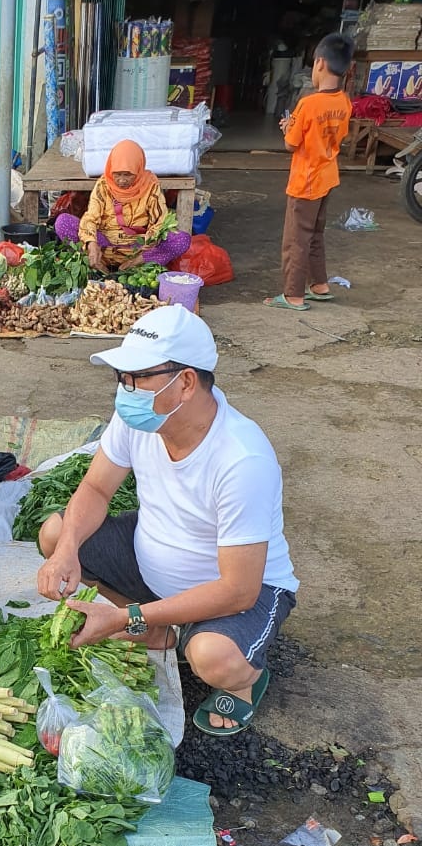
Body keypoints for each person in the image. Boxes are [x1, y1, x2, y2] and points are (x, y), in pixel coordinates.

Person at [36, 304, 299, 737]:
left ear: (186, 383)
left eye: (138, 379)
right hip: (151, 555)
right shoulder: (135, 420)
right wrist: (65, 553)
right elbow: (96, 489)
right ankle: (155, 628)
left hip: (236, 589)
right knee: (55, 532)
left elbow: (237, 589)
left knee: (213, 657)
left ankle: (248, 677)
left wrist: (122, 619)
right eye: (122, 378)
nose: (126, 390)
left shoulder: (241, 458)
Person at [264, 34, 353, 312]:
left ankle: (293, 295)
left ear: (320, 63)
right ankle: (320, 285)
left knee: (295, 238)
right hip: (327, 176)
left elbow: (292, 143)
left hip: (305, 181)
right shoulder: (344, 101)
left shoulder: (308, 103)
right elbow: (338, 135)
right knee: (315, 233)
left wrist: (288, 127)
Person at [54, 140, 191, 272]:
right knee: (63, 222)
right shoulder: (103, 185)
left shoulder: (150, 185)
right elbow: (91, 217)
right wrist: (91, 243)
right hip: (105, 245)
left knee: (182, 239)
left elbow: (160, 221)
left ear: (138, 169)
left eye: (128, 175)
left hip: (138, 249)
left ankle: (134, 265)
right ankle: (99, 264)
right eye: (117, 174)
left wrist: (150, 241)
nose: (121, 180)